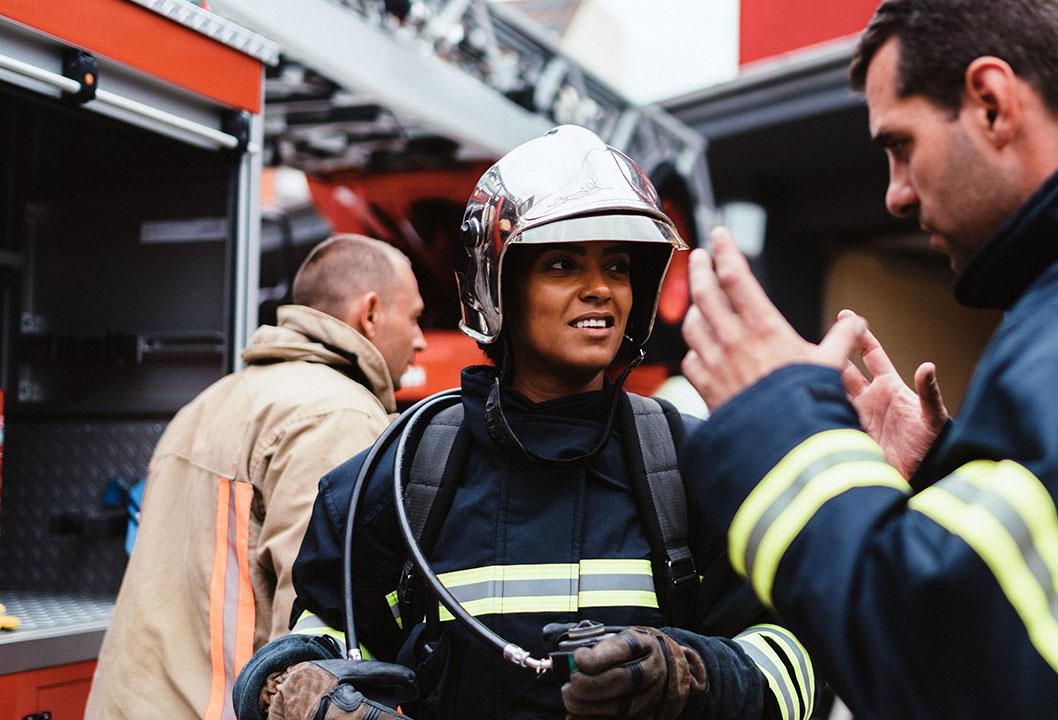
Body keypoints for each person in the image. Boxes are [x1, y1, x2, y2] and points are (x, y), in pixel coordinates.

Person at [676, 0, 1058, 718]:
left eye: (901, 145)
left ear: (991, 101)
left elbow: (951, 677)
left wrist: (779, 429)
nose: (895, 194)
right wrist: (934, 486)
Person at [233, 126, 817, 720]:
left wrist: (689, 673)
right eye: (564, 264)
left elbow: (791, 662)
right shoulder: (397, 482)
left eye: (617, 266)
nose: (600, 290)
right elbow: (323, 635)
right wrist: (297, 685)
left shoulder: (697, 469)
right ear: (497, 286)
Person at [87, 234, 428, 720]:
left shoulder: (214, 400)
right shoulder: (336, 415)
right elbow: (315, 644)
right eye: (414, 317)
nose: (421, 340)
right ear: (370, 314)